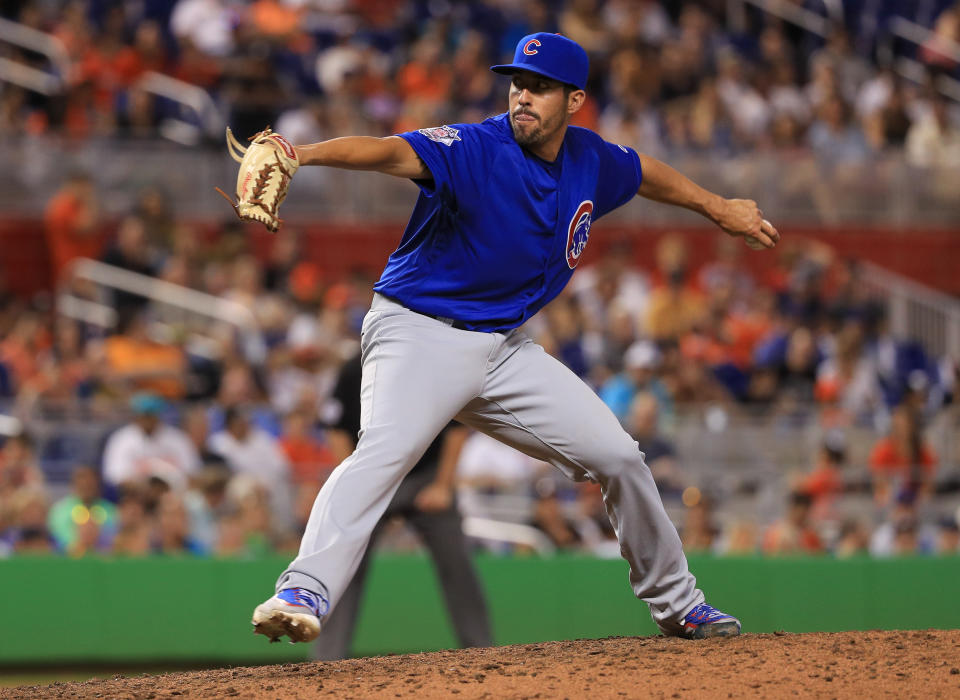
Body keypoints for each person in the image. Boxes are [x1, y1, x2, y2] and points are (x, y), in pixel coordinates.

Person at [252, 32, 780, 645]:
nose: (523, 96)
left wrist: (716, 207)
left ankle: (679, 605)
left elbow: (644, 173)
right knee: (385, 454)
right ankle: (302, 588)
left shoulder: (590, 159)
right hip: (416, 330)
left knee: (620, 457)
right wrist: (305, 152)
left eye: (541, 87)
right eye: (518, 83)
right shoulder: (477, 147)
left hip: (500, 350)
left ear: (575, 100)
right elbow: (389, 152)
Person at [312, 352, 491, 660]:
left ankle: (482, 653)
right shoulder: (353, 368)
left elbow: (457, 427)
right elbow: (336, 429)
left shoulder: (430, 364)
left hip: (426, 476)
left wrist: (444, 486)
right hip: (372, 476)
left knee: (457, 561)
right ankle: (326, 661)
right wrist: (357, 488)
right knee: (344, 562)